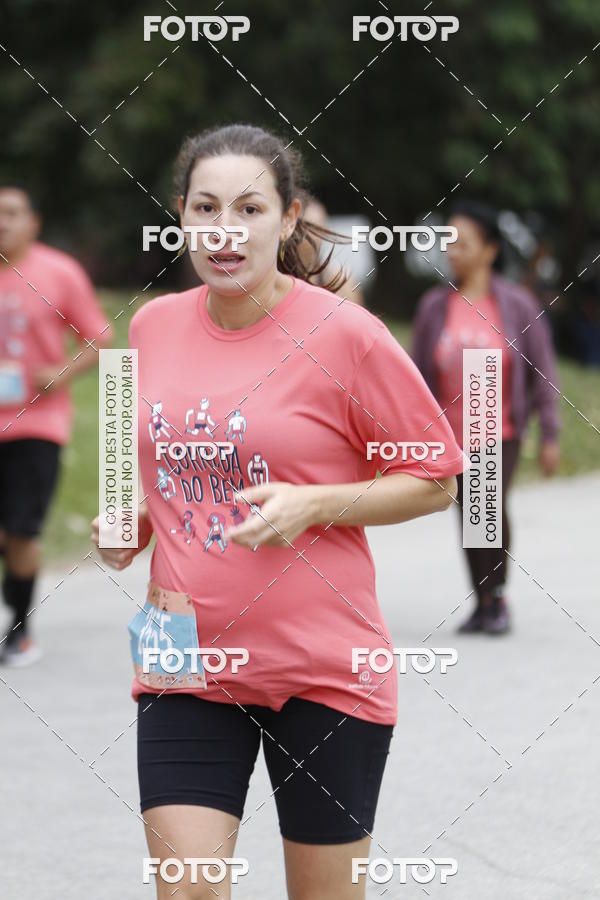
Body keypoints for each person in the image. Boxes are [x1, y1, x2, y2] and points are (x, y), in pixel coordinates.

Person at [91, 124, 465, 900]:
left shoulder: (347, 335)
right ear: (181, 217)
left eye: (250, 207)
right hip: (180, 660)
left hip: (325, 668)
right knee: (188, 890)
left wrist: (318, 503)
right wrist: (128, 523)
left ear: (288, 218)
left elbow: (439, 475)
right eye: (205, 207)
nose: (226, 228)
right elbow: (157, 469)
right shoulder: (151, 326)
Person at [412, 200, 561, 636]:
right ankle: (483, 601)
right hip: (451, 431)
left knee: (484, 505)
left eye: (463, 242)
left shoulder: (515, 304)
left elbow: (544, 372)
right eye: (449, 241)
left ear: (490, 249)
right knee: (469, 514)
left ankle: (495, 598)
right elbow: (417, 373)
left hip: (499, 427)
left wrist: (550, 434)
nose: (452, 250)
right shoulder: (435, 306)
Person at [0, 184, 112, 666]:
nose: (1, 222)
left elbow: (101, 339)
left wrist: (60, 373)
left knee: (22, 532)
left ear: (33, 223)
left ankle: (20, 631)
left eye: (11, 213)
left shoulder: (57, 272)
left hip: (36, 424)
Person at [298, 196, 365, 305]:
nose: (315, 236)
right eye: (308, 227)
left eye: (320, 228)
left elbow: (357, 320)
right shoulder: (278, 278)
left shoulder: (340, 280)